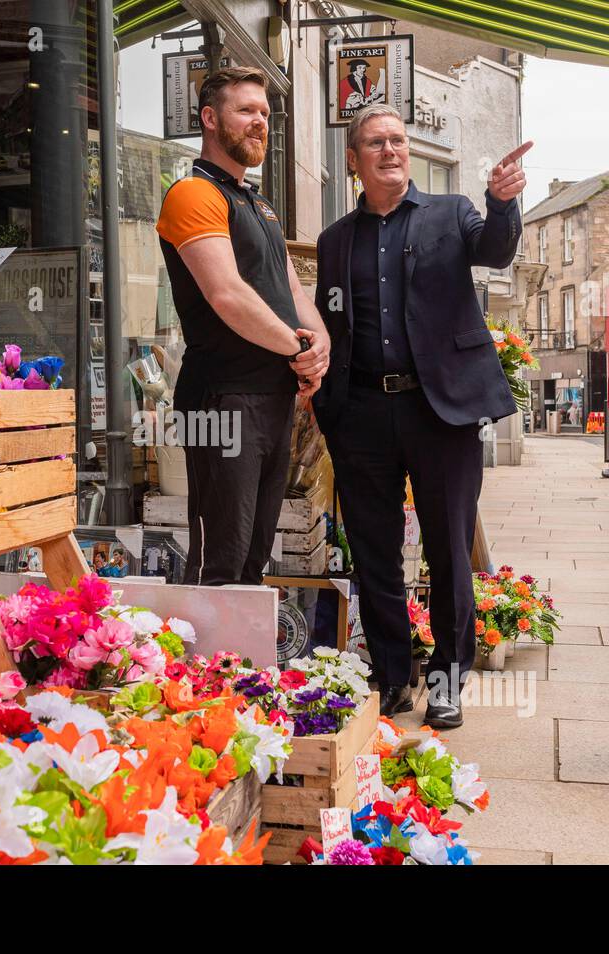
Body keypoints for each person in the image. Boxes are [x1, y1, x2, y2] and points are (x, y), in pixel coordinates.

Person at [312, 104, 530, 723]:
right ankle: (389, 674)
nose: (391, 150)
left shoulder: (451, 213)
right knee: (374, 551)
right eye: (375, 143)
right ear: (353, 161)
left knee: (448, 549)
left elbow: (494, 250)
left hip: (442, 412)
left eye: (398, 141)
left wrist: (501, 202)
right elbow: (331, 323)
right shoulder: (335, 240)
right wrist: (326, 398)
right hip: (361, 413)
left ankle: (446, 681)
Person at [156, 66, 329, 587]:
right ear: (210, 119)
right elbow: (226, 294)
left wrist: (320, 342)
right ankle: (209, 667)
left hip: (271, 397)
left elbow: (292, 291)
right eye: (246, 111)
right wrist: (297, 349)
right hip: (221, 398)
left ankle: (240, 669)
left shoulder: (259, 204)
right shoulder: (192, 193)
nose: (260, 122)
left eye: (265, 114)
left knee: (253, 555)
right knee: (220, 558)